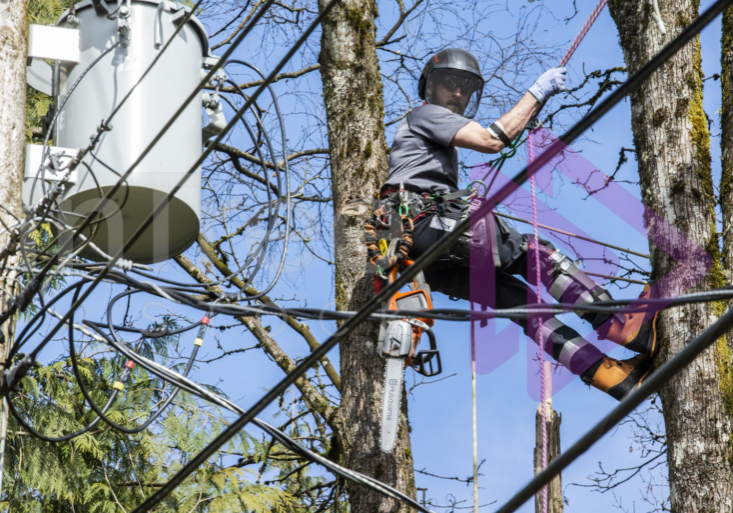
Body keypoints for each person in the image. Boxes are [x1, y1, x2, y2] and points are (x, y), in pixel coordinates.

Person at [376, 48, 657, 401]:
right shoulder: (425, 115)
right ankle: (619, 325)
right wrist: (536, 93)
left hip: (420, 255)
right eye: (449, 84)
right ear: (429, 88)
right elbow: (491, 139)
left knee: (518, 302)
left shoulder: (431, 137)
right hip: (424, 225)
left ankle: (608, 375)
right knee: (533, 253)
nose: (457, 93)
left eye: (465, 87)